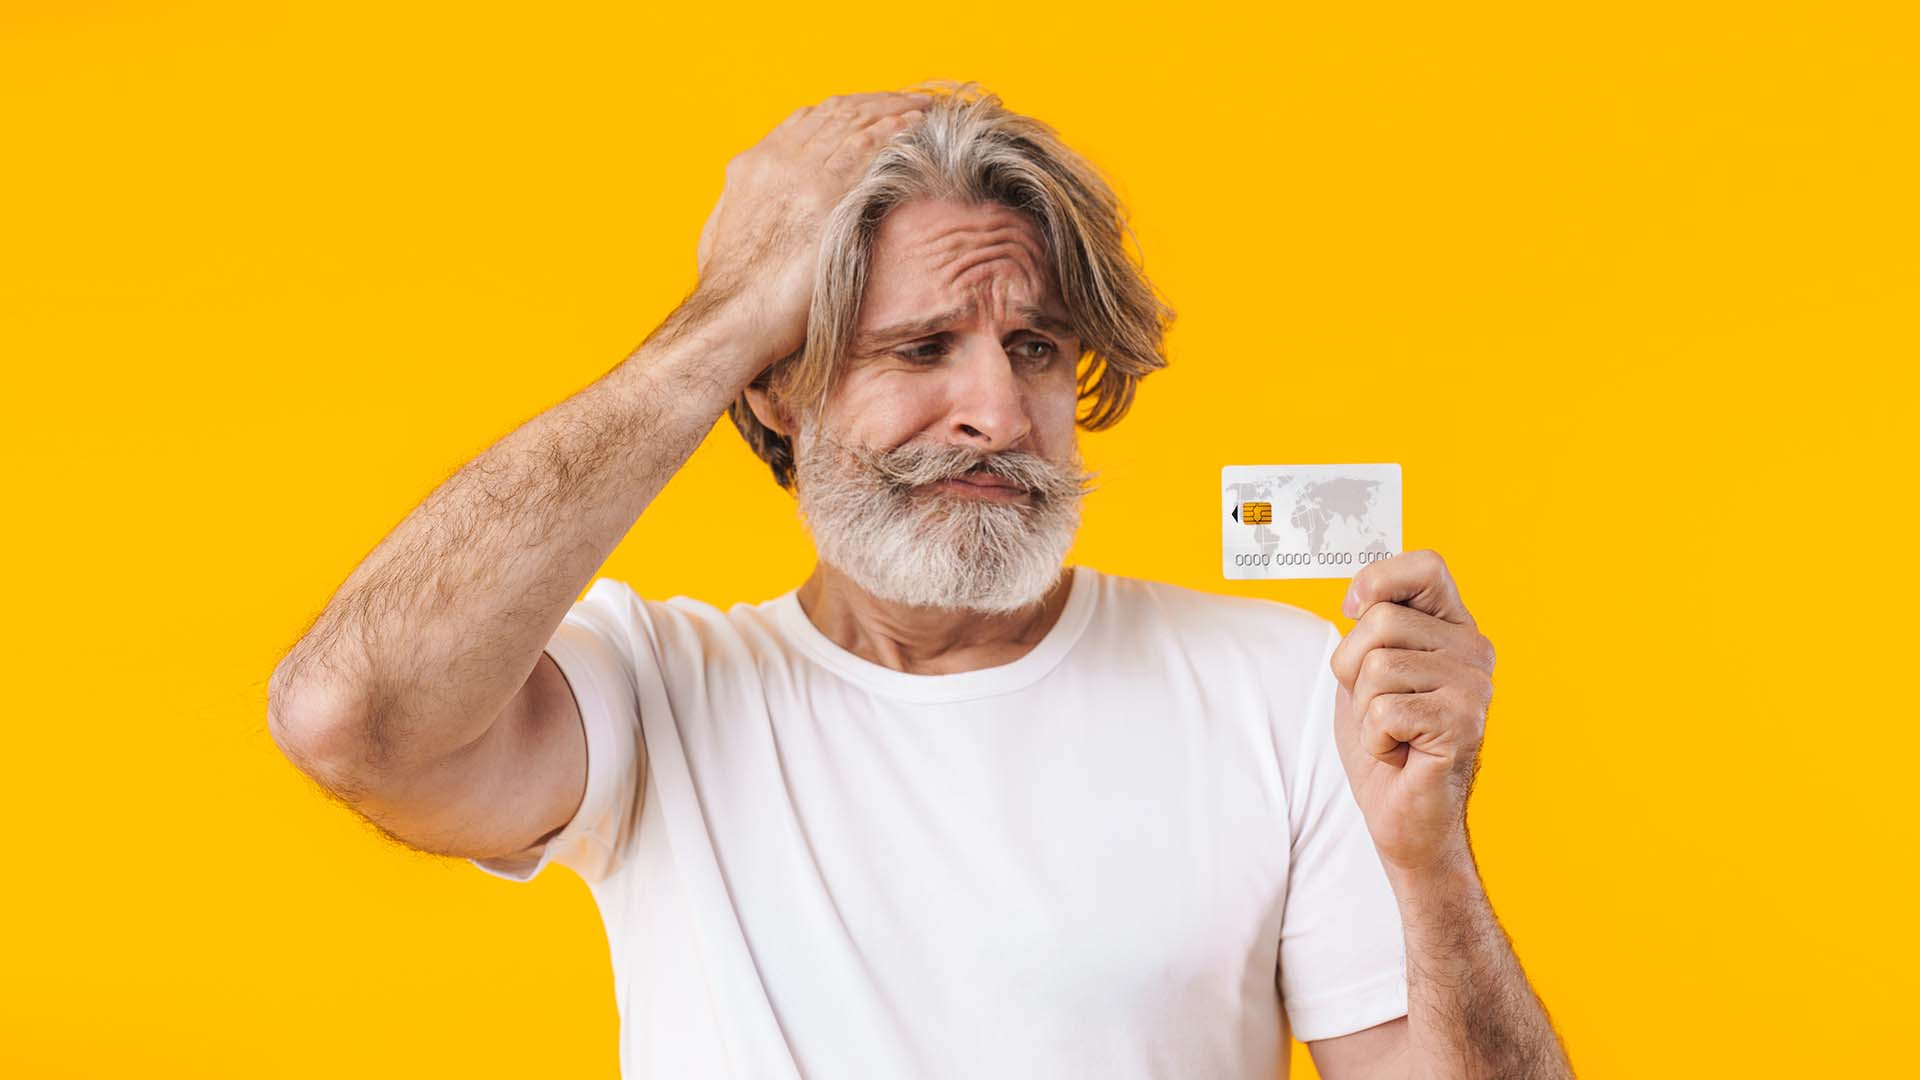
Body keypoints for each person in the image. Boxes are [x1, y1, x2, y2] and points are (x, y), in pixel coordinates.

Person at [268, 81, 1573, 1079]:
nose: (996, 411)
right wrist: (718, 324)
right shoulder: (652, 697)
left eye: (1038, 347)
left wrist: (1429, 860)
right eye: (921, 347)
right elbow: (351, 717)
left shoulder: (1286, 686)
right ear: (776, 388)